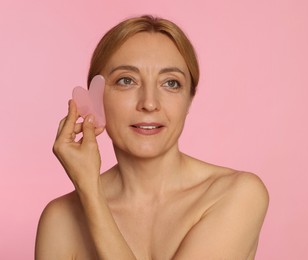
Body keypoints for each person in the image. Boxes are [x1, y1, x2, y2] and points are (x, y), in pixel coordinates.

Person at [35, 15, 269, 260]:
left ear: (189, 100)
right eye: (126, 80)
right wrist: (88, 189)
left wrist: (91, 193)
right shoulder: (60, 220)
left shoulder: (237, 194)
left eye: (171, 83)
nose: (149, 103)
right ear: (95, 98)